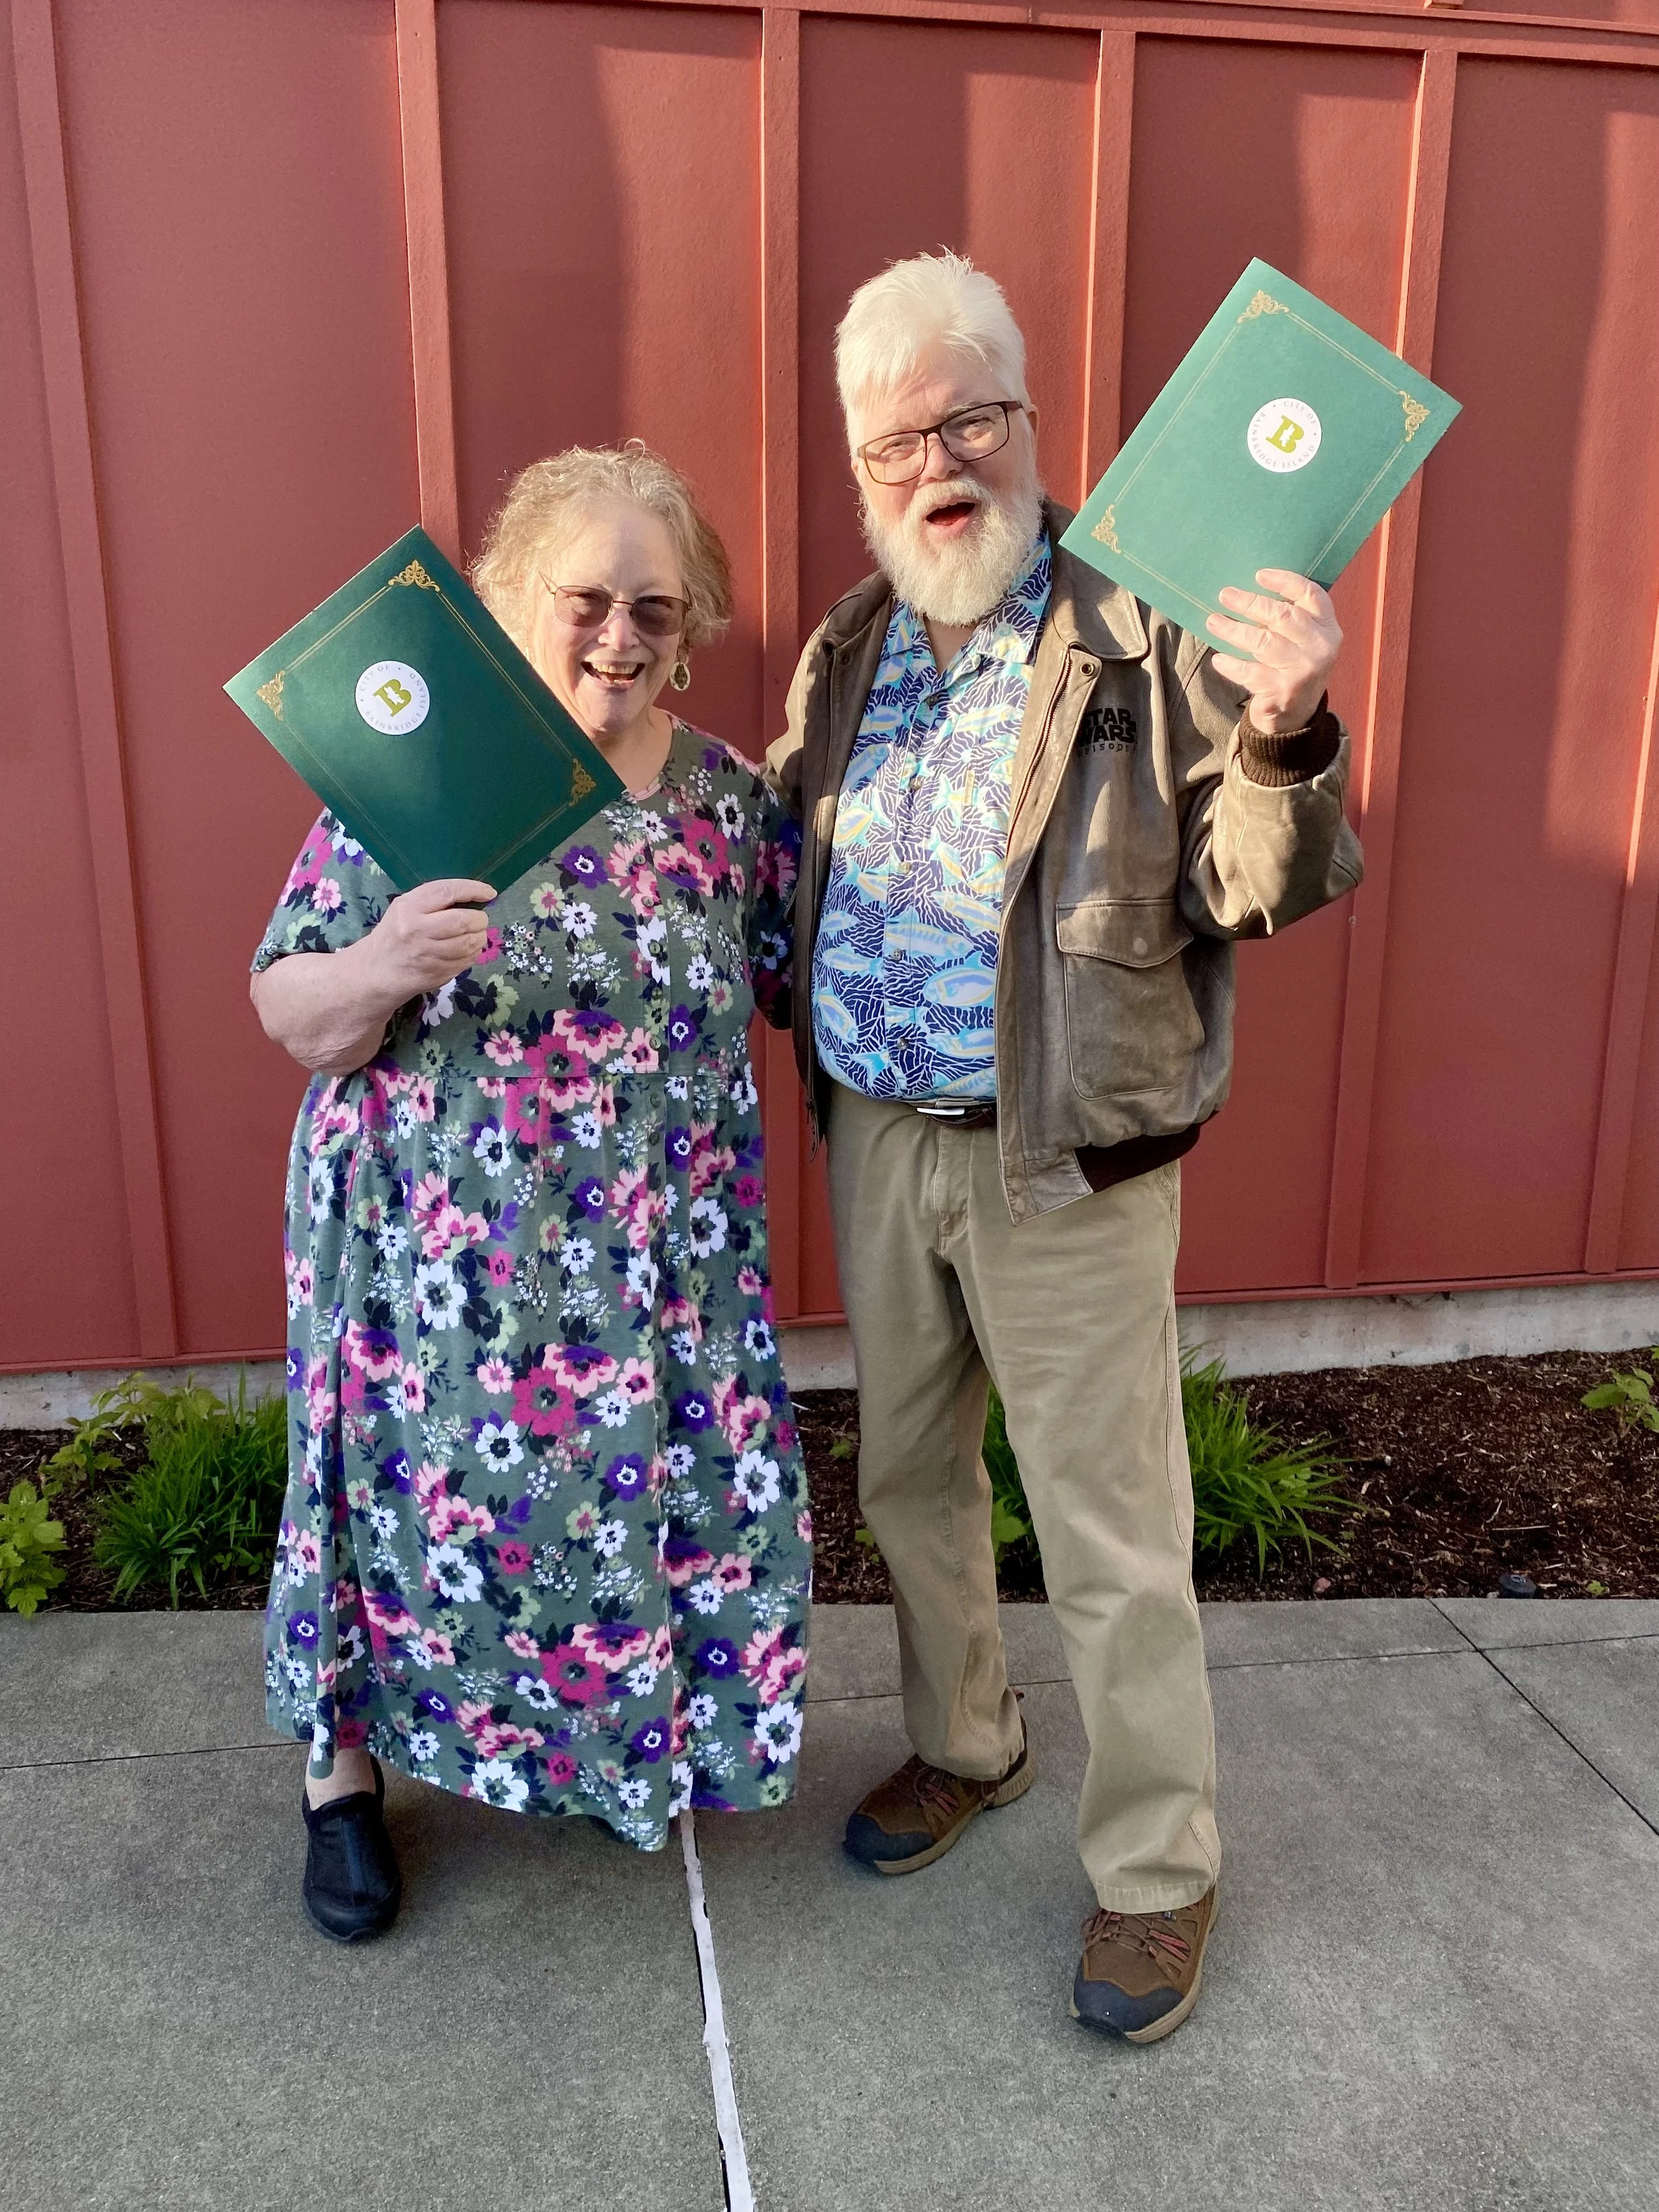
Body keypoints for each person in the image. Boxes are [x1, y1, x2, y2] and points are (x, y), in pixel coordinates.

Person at [768, 254, 1361, 2042]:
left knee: (1108, 1529)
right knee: (908, 1484)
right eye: (895, 440)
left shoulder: (1144, 619)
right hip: (878, 1140)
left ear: (1028, 418)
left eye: (968, 414)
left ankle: (1158, 1872)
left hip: (1063, 1161)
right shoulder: (850, 644)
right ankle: (969, 1742)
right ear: (862, 474)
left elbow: (1262, 882)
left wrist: (1285, 728)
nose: (935, 458)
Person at [251, 443, 808, 1943]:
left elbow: (799, 981)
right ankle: (343, 1772)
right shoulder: (428, 773)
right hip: (429, 1258)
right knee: (387, 1500)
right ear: (509, 599)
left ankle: (628, 1751)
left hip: (652, 1263)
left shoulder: (725, 806)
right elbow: (292, 1007)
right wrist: (378, 965)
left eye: (652, 605)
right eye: (582, 599)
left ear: (687, 627)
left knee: (654, 1508)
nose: (616, 636)